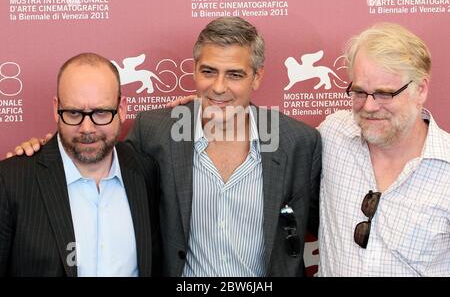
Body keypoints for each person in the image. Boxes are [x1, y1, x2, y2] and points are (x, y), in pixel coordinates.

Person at [10, 17, 322, 277]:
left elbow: (328, 225)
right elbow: (95, 154)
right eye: (208, 71)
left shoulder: (297, 143)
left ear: (257, 77)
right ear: (195, 69)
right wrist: (45, 149)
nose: (218, 87)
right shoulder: (156, 131)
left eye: (235, 75)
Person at [0, 53, 161, 277]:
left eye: (101, 112)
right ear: (56, 108)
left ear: (122, 109)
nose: (87, 128)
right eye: (74, 113)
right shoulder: (10, 181)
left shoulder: (147, 172)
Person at [318, 23, 450, 276]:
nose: (368, 106)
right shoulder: (334, 134)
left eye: (384, 94)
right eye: (359, 91)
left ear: (420, 89)